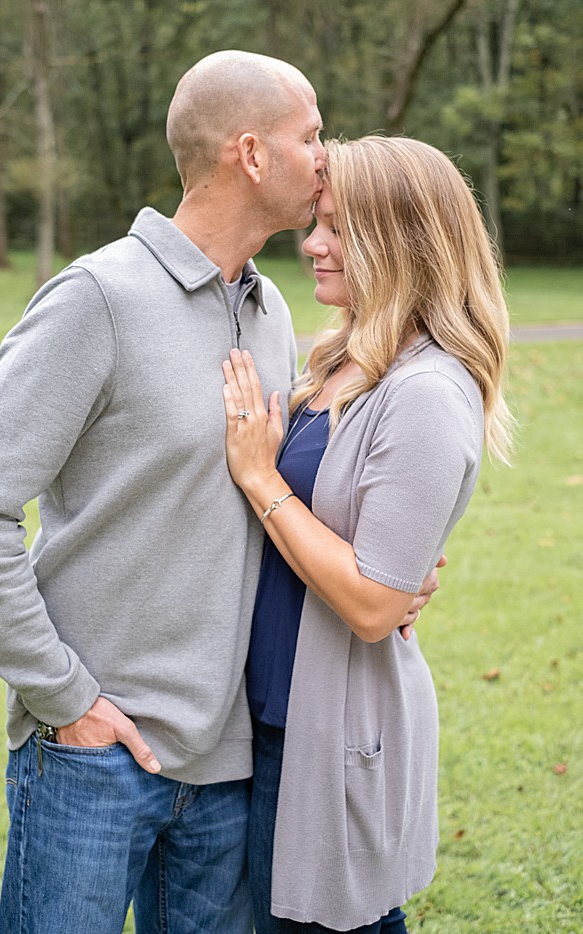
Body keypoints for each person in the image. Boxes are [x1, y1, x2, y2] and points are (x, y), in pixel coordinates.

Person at [0, 51, 437, 933]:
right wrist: (67, 699)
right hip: (94, 754)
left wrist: (386, 575)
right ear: (250, 153)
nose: (326, 154)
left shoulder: (272, 310)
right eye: (310, 135)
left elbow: (277, 493)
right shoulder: (96, 298)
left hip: (230, 763)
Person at [224, 136, 511, 933]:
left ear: (402, 244)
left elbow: (375, 604)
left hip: (332, 729)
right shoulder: (346, 357)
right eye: (317, 222)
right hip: (273, 719)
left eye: (339, 229)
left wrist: (261, 477)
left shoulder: (425, 390)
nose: (312, 244)